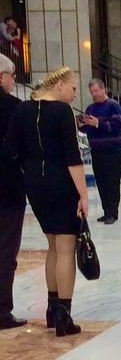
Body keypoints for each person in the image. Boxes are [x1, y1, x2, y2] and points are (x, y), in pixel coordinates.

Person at [3, 66, 88, 337]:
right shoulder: (63, 112)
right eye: (73, 88)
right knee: (66, 247)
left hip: (35, 185)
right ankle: (64, 315)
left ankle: (52, 309)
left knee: (53, 245)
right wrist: (84, 195)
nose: (75, 94)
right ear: (59, 85)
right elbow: (73, 158)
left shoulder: (23, 110)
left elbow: (9, 150)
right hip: (61, 183)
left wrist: (29, 167)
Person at [0, 54, 26, 329]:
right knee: (6, 250)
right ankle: (1, 310)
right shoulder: (14, 108)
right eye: (12, 75)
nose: (14, 80)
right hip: (7, 190)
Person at [81, 79, 121, 224]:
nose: (94, 94)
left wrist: (98, 123)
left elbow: (116, 126)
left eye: (96, 91)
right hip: (97, 150)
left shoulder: (113, 105)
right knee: (101, 182)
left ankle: (113, 212)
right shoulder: (90, 108)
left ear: (103, 89)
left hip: (113, 151)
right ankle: (106, 211)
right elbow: (87, 129)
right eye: (92, 92)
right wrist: (82, 124)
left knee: (112, 182)